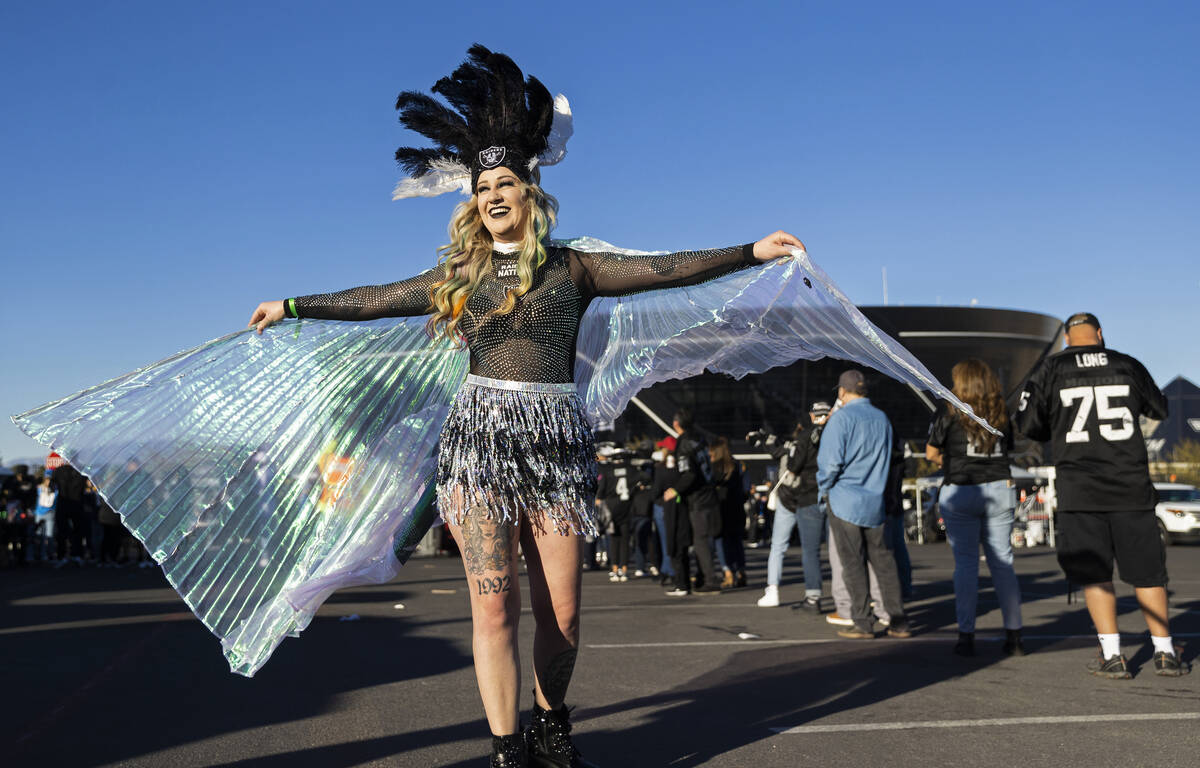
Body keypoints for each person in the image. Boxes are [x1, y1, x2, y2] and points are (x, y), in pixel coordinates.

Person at [247, 47, 804, 766]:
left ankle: (550, 723)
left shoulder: (574, 267)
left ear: (529, 189)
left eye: (507, 182)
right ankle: (506, 747)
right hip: (478, 445)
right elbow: (377, 299)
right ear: (473, 200)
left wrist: (751, 251)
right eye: (484, 187)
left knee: (564, 614)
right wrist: (293, 305)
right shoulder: (459, 274)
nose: (495, 196)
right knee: (492, 606)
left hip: (556, 446)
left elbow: (663, 268)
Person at [1013, 312, 1185, 678]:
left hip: (1081, 490)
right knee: (1148, 574)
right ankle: (1165, 651)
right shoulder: (1127, 364)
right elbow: (1160, 408)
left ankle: (1112, 654)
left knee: (1095, 575)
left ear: (1066, 340)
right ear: (1100, 334)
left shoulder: (1050, 369)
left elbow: (1028, 425)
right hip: (1130, 486)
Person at [926, 359, 1025, 657]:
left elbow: (932, 452)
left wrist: (949, 461)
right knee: (1002, 563)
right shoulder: (1001, 409)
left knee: (966, 565)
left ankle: (965, 635)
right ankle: (1015, 636)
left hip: (962, 488)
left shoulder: (949, 408)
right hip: (998, 486)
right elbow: (1013, 446)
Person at [817, 370, 911, 639]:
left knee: (853, 563)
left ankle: (862, 621)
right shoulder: (881, 418)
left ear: (842, 392)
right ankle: (898, 620)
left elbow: (830, 464)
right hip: (875, 500)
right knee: (884, 561)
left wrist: (823, 491)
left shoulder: (841, 419)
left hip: (845, 499)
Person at [752, 402, 830, 610]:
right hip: (821, 496)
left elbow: (787, 462)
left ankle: (773, 589)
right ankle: (839, 596)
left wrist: (763, 439)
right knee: (827, 549)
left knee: (779, 546)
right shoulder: (833, 438)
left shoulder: (795, 444)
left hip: (792, 498)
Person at [664, 409, 723, 595]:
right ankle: (702, 577)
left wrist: (675, 489)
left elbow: (689, 473)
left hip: (698, 499)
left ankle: (710, 580)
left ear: (676, 424)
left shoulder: (684, 443)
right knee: (704, 539)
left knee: (700, 541)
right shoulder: (699, 438)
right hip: (709, 494)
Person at [709, 437, 747, 589]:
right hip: (737, 508)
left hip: (721, 509)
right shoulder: (737, 465)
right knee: (737, 542)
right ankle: (741, 571)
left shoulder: (715, 467)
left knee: (721, 542)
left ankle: (728, 572)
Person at [596, 447, 634, 582]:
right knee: (624, 539)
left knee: (613, 539)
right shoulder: (631, 470)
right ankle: (624, 569)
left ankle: (614, 568)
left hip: (612, 507)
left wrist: (599, 500)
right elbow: (644, 479)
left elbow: (601, 489)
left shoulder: (609, 471)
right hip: (626, 507)